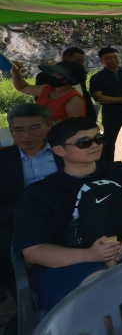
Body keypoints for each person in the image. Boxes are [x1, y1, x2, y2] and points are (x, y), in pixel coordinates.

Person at [14, 117, 122, 311]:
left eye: (98, 138)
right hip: (67, 259)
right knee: (97, 288)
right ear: (59, 150)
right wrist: (89, 255)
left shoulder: (119, 171)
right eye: (84, 142)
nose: (95, 145)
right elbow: (32, 251)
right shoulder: (41, 194)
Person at [0, 105, 59, 306]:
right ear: (11, 131)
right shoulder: (3, 160)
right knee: (4, 250)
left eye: (34, 128)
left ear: (48, 126)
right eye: (18, 130)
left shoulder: (64, 151)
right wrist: (16, 210)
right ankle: (24, 303)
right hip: (20, 216)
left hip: (67, 210)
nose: (26, 135)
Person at [88, 47, 122, 162]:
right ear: (101, 61)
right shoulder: (97, 78)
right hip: (111, 110)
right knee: (109, 138)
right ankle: (108, 165)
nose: (112, 60)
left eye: (115, 57)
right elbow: (98, 96)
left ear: (119, 58)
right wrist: (121, 100)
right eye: (107, 58)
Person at [11, 61, 87, 122]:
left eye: (58, 73)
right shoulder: (46, 89)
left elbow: (74, 122)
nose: (53, 74)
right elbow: (23, 87)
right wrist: (16, 73)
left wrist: (49, 124)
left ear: (67, 79)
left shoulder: (74, 99)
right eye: (55, 71)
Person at [35, 47, 96, 121]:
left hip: (85, 118)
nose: (80, 64)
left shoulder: (76, 74)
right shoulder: (44, 76)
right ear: (65, 59)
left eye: (82, 62)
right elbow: (40, 97)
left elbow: (84, 94)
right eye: (77, 61)